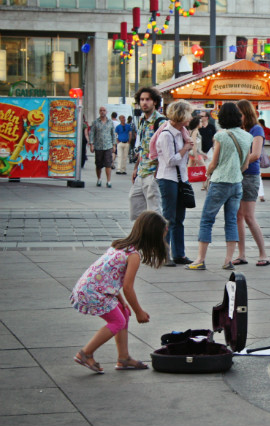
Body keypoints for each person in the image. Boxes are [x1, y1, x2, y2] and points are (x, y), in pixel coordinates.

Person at [70, 211, 167, 374]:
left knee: (122, 312)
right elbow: (128, 287)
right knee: (117, 322)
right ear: (153, 236)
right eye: (163, 235)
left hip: (90, 288)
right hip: (94, 292)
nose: (164, 238)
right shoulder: (133, 255)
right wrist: (139, 312)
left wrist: (122, 302)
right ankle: (86, 353)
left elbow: (111, 278)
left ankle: (124, 358)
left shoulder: (121, 246)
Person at [186, 103, 251, 271]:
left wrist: (208, 172)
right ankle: (228, 260)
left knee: (207, 219)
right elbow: (245, 165)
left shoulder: (221, 136)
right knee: (231, 221)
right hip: (237, 183)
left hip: (220, 182)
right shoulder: (246, 136)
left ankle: (200, 259)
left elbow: (214, 162)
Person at [156, 100, 194, 266]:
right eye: (189, 113)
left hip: (180, 179)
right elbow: (170, 160)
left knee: (179, 219)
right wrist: (186, 148)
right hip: (168, 178)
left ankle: (179, 254)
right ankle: (164, 254)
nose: (191, 117)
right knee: (169, 218)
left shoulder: (182, 133)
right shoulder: (166, 134)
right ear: (182, 115)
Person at [234, 99, 270, 267]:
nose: (236, 116)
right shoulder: (238, 129)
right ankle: (241, 254)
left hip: (249, 176)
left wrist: (237, 165)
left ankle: (263, 254)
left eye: (238, 113)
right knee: (237, 216)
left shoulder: (256, 129)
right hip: (238, 175)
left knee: (248, 216)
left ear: (245, 113)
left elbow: (255, 154)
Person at [129, 87, 165, 221]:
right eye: (142, 100)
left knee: (154, 212)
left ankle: (156, 241)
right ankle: (139, 240)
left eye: (147, 99)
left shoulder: (160, 122)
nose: (144, 102)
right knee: (136, 208)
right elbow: (142, 147)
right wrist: (135, 168)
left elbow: (163, 150)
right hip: (141, 172)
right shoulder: (142, 121)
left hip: (153, 173)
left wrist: (157, 172)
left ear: (155, 102)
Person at [89, 106, 116, 188]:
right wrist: (91, 144)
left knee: (108, 164)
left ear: (106, 112)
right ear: (99, 112)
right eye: (101, 110)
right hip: (98, 146)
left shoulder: (110, 122)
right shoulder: (95, 122)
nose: (102, 112)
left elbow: (113, 134)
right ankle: (99, 179)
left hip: (108, 146)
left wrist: (114, 145)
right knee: (98, 164)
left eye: (104, 110)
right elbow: (92, 134)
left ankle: (108, 181)